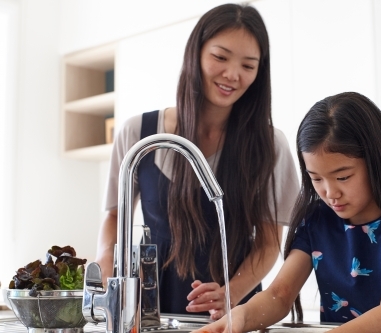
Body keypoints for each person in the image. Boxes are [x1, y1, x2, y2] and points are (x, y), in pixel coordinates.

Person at [194, 92, 381, 333]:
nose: (330, 192)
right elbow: (279, 295)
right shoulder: (316, 221)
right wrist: (238, 318)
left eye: (343, 177)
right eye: (316, 178)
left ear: (376, 162)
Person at [95, 3, 299, 320]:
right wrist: (106, 269)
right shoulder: (139, 133)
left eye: (248, 65)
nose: (232, 74)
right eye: (220, 57)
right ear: (195, 54)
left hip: (232, 313)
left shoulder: (271, 145)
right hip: (150, 310)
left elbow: (269, 242)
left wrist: (230, 293)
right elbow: (113, 217)